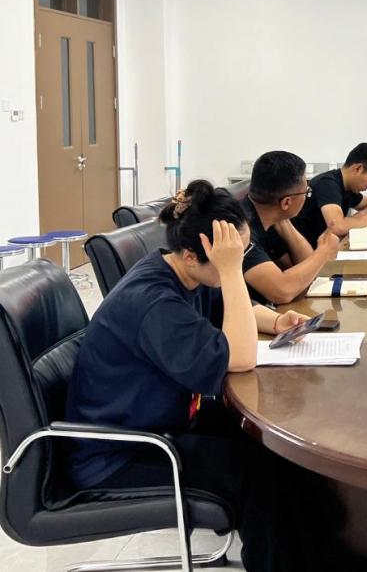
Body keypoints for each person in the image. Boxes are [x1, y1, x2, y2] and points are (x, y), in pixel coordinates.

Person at [65, 180, 337, 571]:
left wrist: (277, 321)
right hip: (122, 452)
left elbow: (234, 307)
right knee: (257, 471)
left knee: (277, 446)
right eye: (233, 257)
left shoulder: (184, 272)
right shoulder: (154, 302)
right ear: (193, 255)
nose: (240, 262)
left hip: (164, 419)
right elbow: (240, 357)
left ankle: (315, 553)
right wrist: (231, 270)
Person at [242, 150, 340, 304]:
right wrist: (324, 251)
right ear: (287, 202)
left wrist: (283, 221)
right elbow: (282, 291)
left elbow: (306, 267)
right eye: (306, 192)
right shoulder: (240, 229)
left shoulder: (268, 216)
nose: (307, 196)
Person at [293, 143, 367, 247]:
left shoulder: (349, 187)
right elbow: (337, 226)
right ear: (358, 168)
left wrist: (356, 220)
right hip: (306, 251)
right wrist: (366, 220)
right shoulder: (326, 183)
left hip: (325, 247)